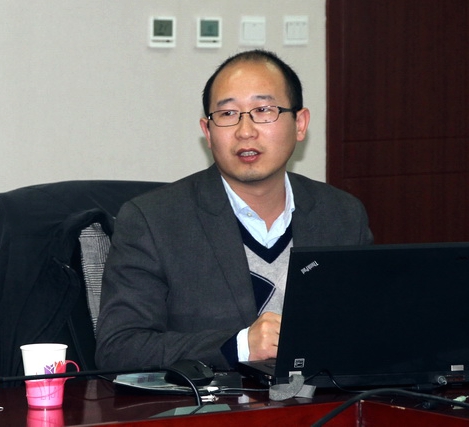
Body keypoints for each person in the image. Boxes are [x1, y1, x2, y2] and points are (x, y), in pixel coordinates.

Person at [94, 49, 373, 371]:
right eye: (227, 114)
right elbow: (119, 349)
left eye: (264, 110)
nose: (245, 131)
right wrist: (239, 346)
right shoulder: (153, 221)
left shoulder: (341, 214)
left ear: (300, 124)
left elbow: (368, 329)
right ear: (208, 132)